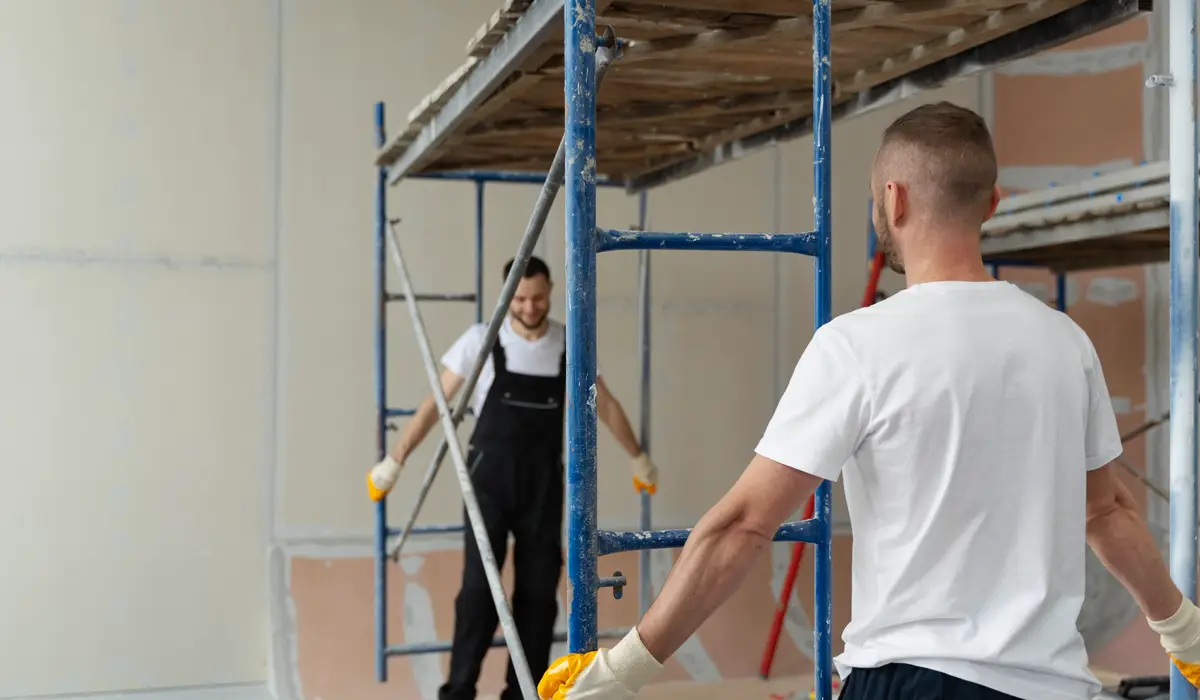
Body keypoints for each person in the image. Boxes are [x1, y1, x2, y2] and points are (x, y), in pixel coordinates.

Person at [535, 102, 1200, 700]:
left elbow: (743, 525)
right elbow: (1108, 511)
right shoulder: (1065, 341)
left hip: (912, 680)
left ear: (893, 198)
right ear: (992, 202)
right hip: (1054, 687)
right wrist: (1184, 632)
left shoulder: (858, 345)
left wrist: (621, 672)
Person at [366, 254, 659, 700]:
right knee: (478, 592)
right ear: (507, 296)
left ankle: (524, 693)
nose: (528, 307)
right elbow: (435, 405)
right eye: (519, 298)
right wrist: (395, 460)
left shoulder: (569, 343)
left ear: (551, 292)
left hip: (543, 485)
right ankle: (459, 689)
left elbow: (606, 404)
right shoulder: (480, 341)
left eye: (538, 297)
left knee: (539, 594)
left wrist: (638, 458)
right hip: (488, 483)